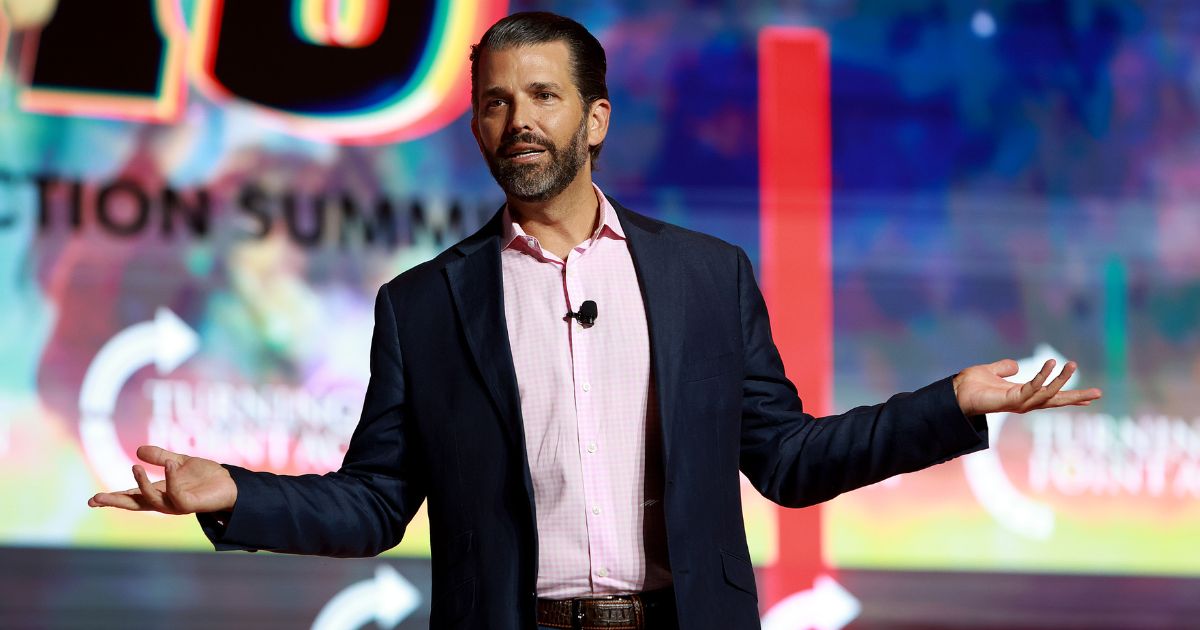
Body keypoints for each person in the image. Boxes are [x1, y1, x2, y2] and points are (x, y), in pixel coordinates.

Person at [88, 11, 1102, 630]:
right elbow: (375, 505)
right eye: (493, 102)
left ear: (595, 118)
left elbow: (789, 460)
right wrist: (232, 495)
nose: (516, 120)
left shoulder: (705, 278)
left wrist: (951, 405)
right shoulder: (426, 305)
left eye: (542, 96)